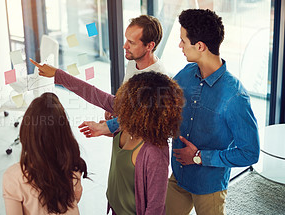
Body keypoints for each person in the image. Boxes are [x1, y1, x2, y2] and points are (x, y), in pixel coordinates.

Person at [31, 58, 184, 215]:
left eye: (129, 97)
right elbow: (93, 93)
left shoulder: (155, 152)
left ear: (142, 110)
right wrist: (57, 74)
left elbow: (155, 208)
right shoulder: (127, 122)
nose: (123, 99)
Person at [165, 9, 260, 215]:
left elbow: (250, 153)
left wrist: (199, 157)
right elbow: (159, 106)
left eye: (183, 41)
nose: (179, 45)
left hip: (209, 187)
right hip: (179, 176)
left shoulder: (235, 97)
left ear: (200, 46)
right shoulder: (185, 74)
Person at [79, 14, 166, 136]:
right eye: (126, 40)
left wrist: (107, 127)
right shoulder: (133, 61)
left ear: (149, 46)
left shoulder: (158, 79)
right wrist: (116, 109)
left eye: (131, 42)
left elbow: (141, 121)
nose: (125, 46)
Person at [2, 92, 89, 215]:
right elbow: (76, 198)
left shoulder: (14, 176)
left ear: (26, 132)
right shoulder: (73, 164)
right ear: (64, 133)